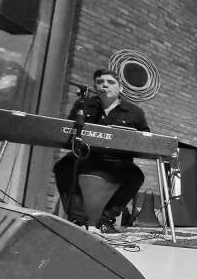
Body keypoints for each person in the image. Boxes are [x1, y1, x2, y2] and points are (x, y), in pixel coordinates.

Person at [54, 68, 149, 233]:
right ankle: (77, 220)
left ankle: (105, 220)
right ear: (95, 86)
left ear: (120, 88)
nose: (104, 85)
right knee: (63, 166)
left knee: (135, 176)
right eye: (100, 82)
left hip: (118, 162)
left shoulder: (135, 112)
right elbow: (67, 130)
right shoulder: (83, 105)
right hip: (86, 157)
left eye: (110, 82)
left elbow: (146, 137)